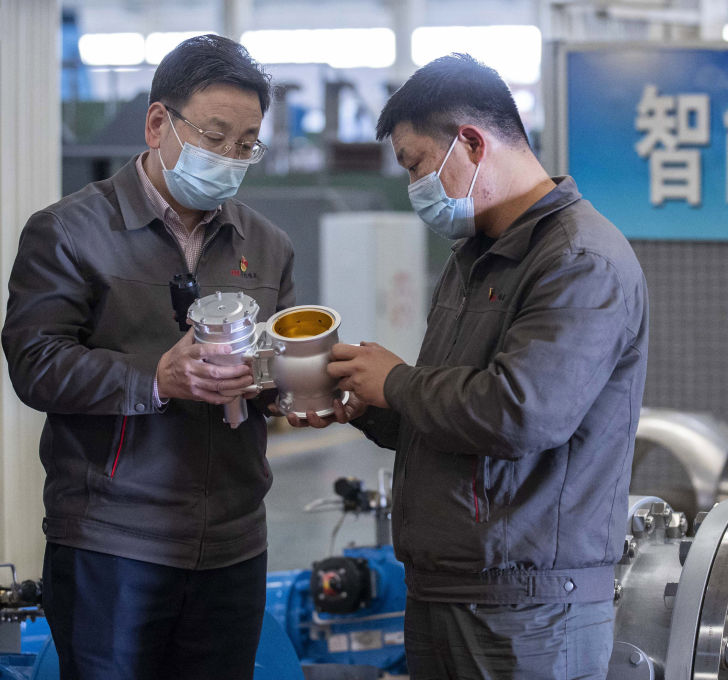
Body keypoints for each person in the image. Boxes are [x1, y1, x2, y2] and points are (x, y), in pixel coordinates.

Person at [299, 53, 649, 679]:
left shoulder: (578, 261)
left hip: (527, 609)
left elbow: (522, 414)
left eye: (415, 164)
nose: (414, 186)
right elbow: (456, 417)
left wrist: (396, 382)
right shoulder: (475, 257)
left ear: (471, 143)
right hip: (451, 589)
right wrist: (366, 402)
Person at [2, 34, 294, 680]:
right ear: (158, 123)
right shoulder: (69, 232)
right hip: (113, 543)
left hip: (233, 544)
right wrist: (155, 379)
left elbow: (274, 360)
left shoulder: (266, 245)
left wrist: (293, 386)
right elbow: (35, 364)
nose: (230, 157)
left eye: (247, 144)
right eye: (215, 137)